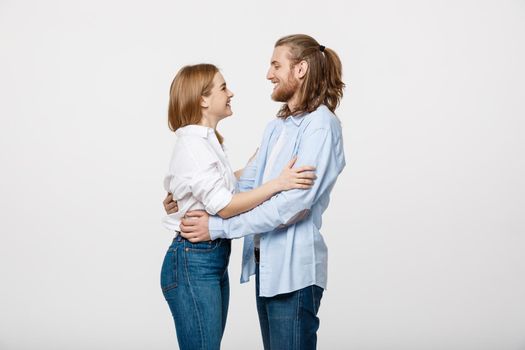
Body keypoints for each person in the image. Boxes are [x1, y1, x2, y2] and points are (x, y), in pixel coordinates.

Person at [165, 34, 346, 350]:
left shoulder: (320, 126)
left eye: (276, 65)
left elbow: (292, 206)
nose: (268, 74)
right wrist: (188, 194)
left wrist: (218, 227)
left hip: (294, 271)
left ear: (301, 69)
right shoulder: (277, 127)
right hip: (268, 266)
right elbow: (246, 185)